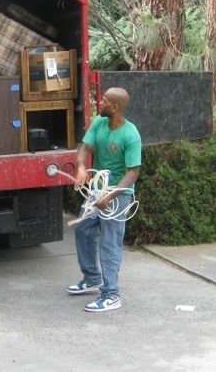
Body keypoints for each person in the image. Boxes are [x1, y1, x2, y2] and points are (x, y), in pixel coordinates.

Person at [68, 87, 142, 312]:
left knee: (109, 243)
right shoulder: (99, 123)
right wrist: (81, 166)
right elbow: (85, 147)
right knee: (83, 229)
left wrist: (110, 195)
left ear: (115, 107)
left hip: (118, 195)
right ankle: (92, 278)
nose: (99, 102)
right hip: (98, 191)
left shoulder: (130, 134)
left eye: (104, 100)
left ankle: (111, 294)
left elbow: (133, 172)